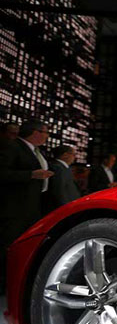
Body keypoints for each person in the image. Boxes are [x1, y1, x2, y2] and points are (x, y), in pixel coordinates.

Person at [0, 119, 53, 289]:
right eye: (45, 132)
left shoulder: (36, 151)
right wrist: (30, 175)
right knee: (8, 247)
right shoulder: (12, 146)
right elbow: (2, 173)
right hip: (14, 209)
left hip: (30, 208)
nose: (47, 136)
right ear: (35, 132)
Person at [47, 144, 81, 210]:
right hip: (65, 208)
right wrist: (66, 208)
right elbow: (59, 191)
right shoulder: (58, 168)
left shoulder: (63, 168)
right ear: (65, 155)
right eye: (74, 154)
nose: (75, 157)